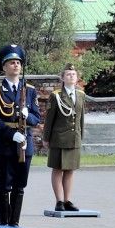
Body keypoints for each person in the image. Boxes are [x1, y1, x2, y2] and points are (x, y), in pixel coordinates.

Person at [0, 43, 40, 227]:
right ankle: (4, 225)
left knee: (20, 185)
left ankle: (14, 224)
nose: (15, 65)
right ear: (4, 67)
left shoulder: (30, 90)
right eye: (11, 62)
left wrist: (28, 115)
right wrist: (11, 134)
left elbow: (37, 118)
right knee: (4, 186)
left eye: (18, 62)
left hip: (25, 144)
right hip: (4, 144)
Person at [42, 65, 86, 212]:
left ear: (77, 78)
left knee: (70, 170)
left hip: (74, 138)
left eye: (73, 74)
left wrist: (81, 136)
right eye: (68, 74)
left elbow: (81, 118)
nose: (71, 76)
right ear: (62, 78)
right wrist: (46, 138)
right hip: (59, 138)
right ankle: (59, 201)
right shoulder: (56, 96)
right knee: (58, 169)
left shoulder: (81, 95)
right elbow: (49, 119)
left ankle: (67, 200)